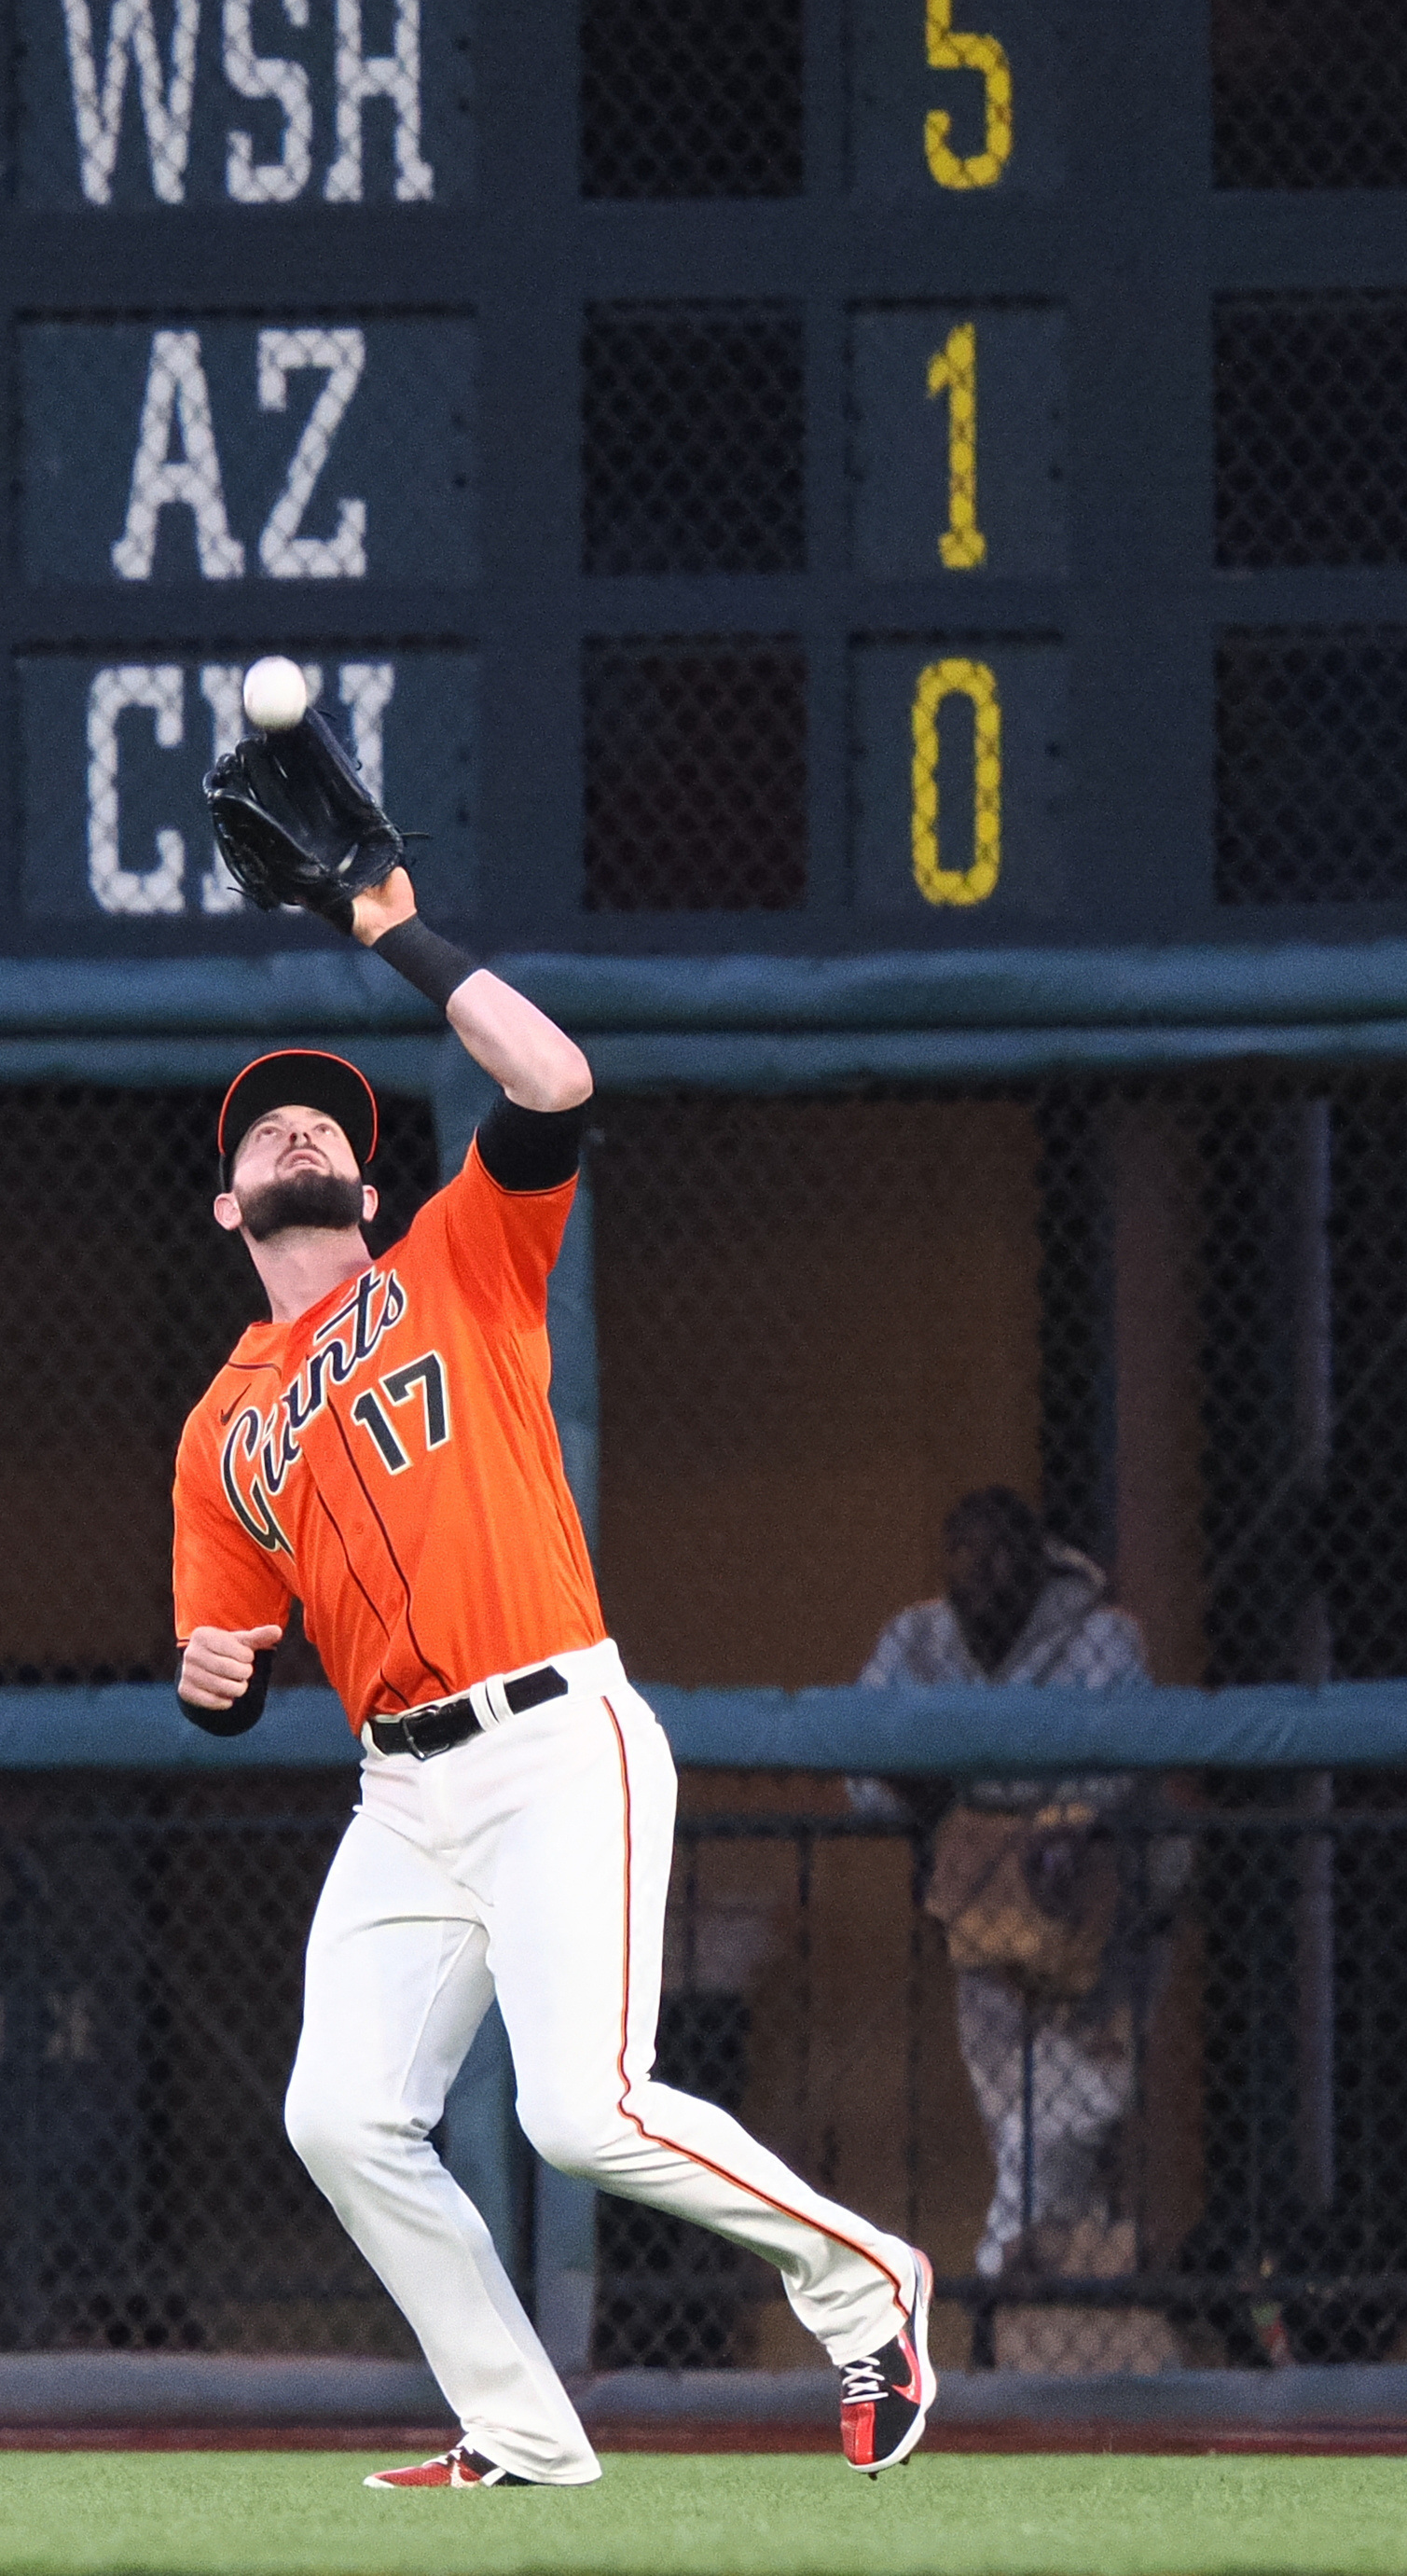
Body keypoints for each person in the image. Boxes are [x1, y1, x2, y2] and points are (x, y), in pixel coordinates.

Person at [172, 864, 935, 2487]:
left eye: (326, 1127)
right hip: (402, 1786)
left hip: (551, 1737)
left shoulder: (458, 1258)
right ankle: (521, 2429)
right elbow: (224, 1675)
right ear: (227, 1207)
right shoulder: (219, 1429)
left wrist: (393, 933)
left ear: (372, 1185)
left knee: (580, 2114)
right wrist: (215, 1672)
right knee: (341, 2114)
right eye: (266, 1135)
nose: (300, 1137)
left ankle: (867, 2279)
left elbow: (554, 1081)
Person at [851, 1489, 1170, 2348]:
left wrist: (1039, 1811)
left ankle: (1002, 2286)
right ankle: (1029, 2300)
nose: (979, 1572)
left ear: (1038, 1561)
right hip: (983, 1902)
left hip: (1101, 1901)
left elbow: (1114, 1762)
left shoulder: (1097, 1631)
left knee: (1081, 2097)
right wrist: (949, 1802)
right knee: (1014, 2104)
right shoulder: (917, 1638)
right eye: (962, 1550)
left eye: (1000, 1554)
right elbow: (859, 1762)